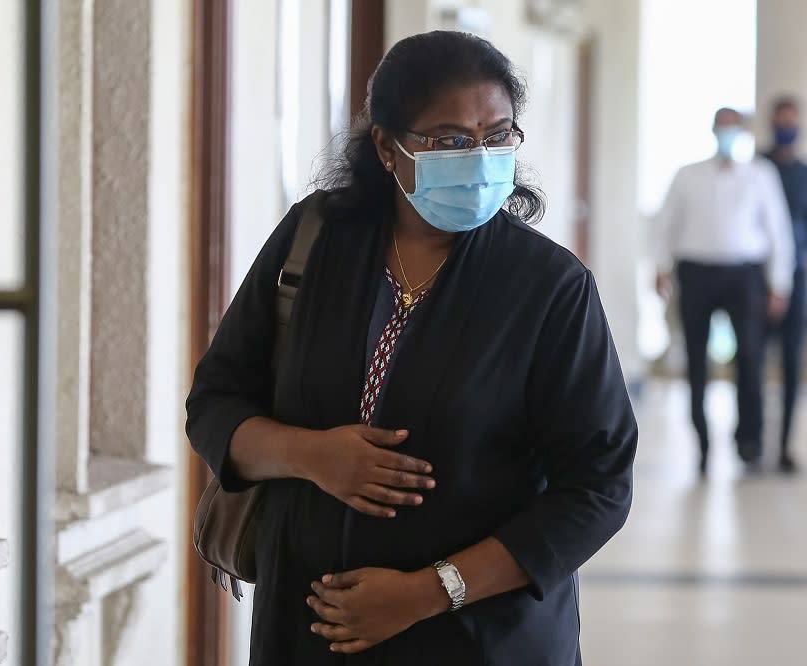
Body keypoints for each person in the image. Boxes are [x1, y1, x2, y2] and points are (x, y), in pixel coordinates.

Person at [187, 31, 637, 665]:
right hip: (307, 632)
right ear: (386, 147)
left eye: (498, 135)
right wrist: (312, 455)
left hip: (481, 640)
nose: (479, 158)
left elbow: (598, 486)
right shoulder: (314, 243)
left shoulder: (548, 286)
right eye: (450, 141)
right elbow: (213, 404)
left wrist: (429, 592)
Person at [654, 108, 794, 476]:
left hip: (745, 276)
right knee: (696, 360)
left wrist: (779, 283)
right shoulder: (688, 175)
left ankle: (748, 439)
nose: (728, 134)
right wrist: (660, 267)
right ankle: (701, 442)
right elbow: (665, 222)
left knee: (750, 355)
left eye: (735, 128)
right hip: (697, 273)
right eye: (723, 128)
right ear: (714, 131)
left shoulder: (760, 176)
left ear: (743, 132)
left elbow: (778, 230)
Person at [764, 96, 807, 474]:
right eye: (781, 120)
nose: (786, 127)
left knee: (791, 363)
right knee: (754, 362)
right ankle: (755, 440)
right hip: (755, 281)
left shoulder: (803, 173)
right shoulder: (758, 169)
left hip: (798, 280)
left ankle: (783, 446)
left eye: (791, 121)